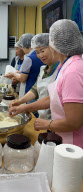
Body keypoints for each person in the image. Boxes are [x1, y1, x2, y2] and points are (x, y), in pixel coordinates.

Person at [10, 19, 83, 148]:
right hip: (62, 138)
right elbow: (54, 98)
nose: (39, 55)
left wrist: (47, 124)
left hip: (74, 143)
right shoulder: (66, 66)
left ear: (53, 43)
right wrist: (23, 107)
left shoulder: (73, 70)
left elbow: (74, 122)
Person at [10, 33, 59, 120]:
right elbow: (35, 90)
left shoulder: (60, 70)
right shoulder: (43, 69)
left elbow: (53, 98)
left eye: (42, 51)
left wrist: (25, 107)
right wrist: (20, 101)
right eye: (37, 52)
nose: (40, 55)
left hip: (56, 120)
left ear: (52, 48)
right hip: (43, 119)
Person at [5, 33, 44, 100]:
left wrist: (13, 74)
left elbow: (22, 79)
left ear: (23, 46)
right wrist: (21, 72)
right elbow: (34, 71)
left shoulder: (29, 58)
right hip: (40, 91)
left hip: (30, 92)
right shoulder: (40, 55)